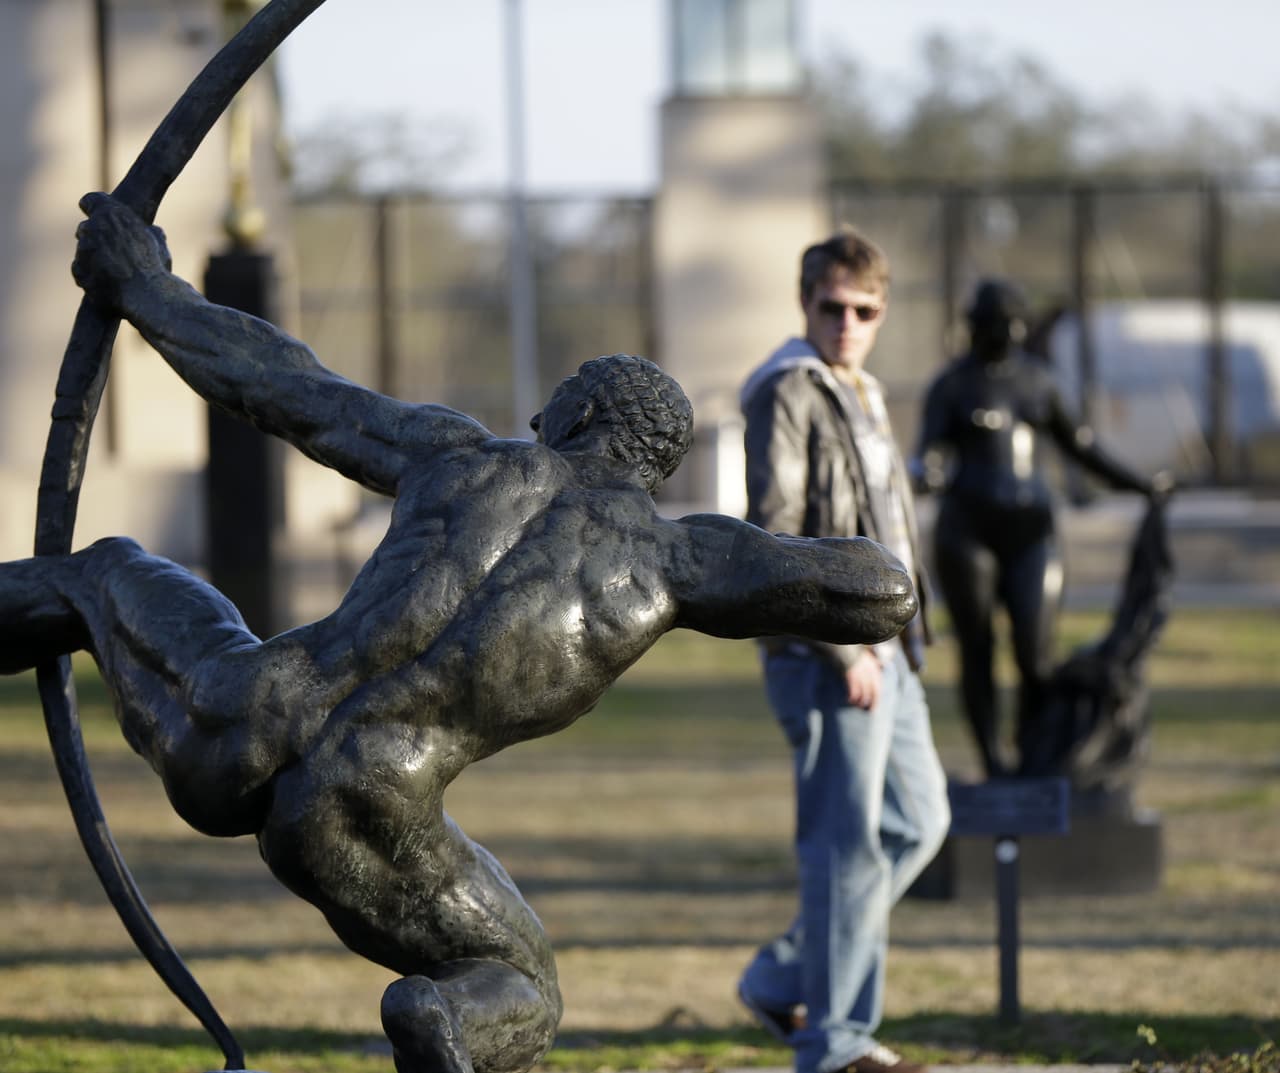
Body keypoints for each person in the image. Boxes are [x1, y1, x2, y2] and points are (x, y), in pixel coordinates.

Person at [0, 193, 921, 1073]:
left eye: (553, 402)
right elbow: (882, 591)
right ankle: (436, 1016)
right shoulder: (670, 562)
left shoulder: (459, 453)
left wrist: (144, 288)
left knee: (100, 572)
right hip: (361, 808)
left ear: (586, 415)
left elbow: (283, 386)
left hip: (237, 715)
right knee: (517, 986)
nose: (533, 419)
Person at [736, 229, 950, 1073]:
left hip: (889, 654)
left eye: (865, 309)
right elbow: (777, 536)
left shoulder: (860, 390)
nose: (848, 322)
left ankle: (782, 974)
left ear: (881, 311)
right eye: (833, 306)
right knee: (846, 846)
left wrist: (905, 641)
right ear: (806, 304)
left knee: (921, 820)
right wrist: (840, 647)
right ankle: (834, 1044)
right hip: (830, 657)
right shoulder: (787, 387)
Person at [913, 278, 1172, 778]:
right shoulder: (952, 385)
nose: (1004, 334)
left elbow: (1081, 446)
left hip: (1030, 529)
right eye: (994, 326)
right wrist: (929, 470)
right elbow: (929, 448)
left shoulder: (1038, 381)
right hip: (969, 531)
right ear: (975, 329)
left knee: (1035, 651)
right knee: (978, 646)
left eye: (1013, 325)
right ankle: (993, 759)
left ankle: (1036, 753)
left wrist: (1140, 485)